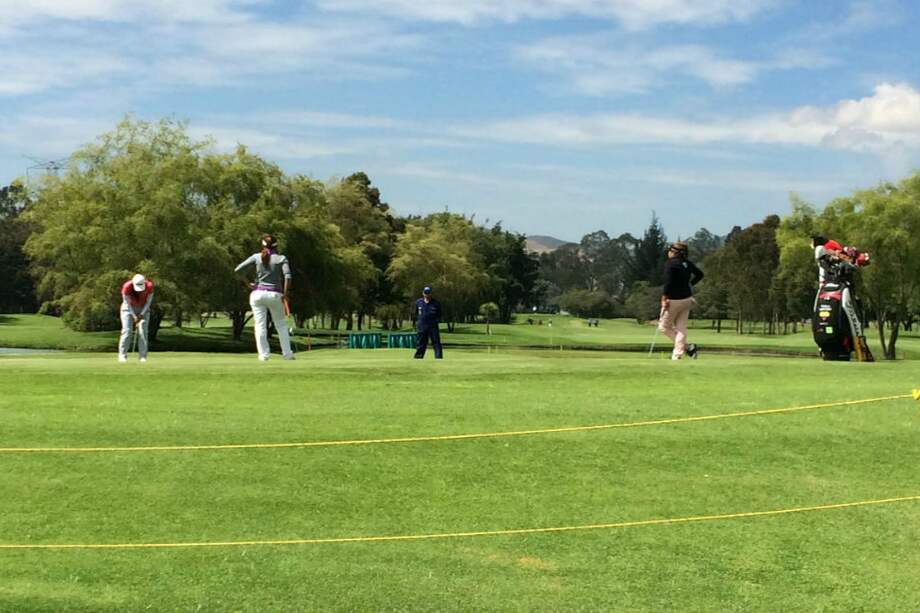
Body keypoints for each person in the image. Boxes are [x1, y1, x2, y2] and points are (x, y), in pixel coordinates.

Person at [235, 234, 294, 361]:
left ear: (262, 245)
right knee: (281, 325)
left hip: (257, 294)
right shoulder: (281, 258)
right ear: (276, 246)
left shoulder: (256, 257)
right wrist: (285, 293)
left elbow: (238, 270)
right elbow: (288, 277)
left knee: (260, 325)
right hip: (275, 294)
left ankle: (263, 355)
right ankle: (287, 354)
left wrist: (248, 283)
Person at [659, 242, 704, 360]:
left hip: (673, 300)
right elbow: (700, 274)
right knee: (681, 328)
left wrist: (664, 298)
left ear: (674, 252)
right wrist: (689, 284)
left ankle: (685, 349)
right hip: (687, 299)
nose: (668, 252)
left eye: (670, 250)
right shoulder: (687, 264)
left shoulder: (670, 264)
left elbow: (668, 282)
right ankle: (682, 352)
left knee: (664, 327)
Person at [119, 273, 154, 363]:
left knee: (143, 332)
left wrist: (141, 314)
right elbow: (127, 303)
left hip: (144, 309)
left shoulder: (149, 286)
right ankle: (122, 355)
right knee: (127, 331)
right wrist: (134, 316)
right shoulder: (127, 286)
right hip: (128, 309)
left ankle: (142, 357)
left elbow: (148, 302)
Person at [414, 286, 443, 359]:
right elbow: (416, 313)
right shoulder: (418, 302)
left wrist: (435, 321)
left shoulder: (436, 303)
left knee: (436, 343)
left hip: (433, 326)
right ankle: (418, 357)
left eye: (428, 293)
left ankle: (438, 357)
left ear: (430, 294)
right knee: (421, 343)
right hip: (422, 326)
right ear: (423, 293)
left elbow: (439, 315)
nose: (427, 295)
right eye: (425, 293)